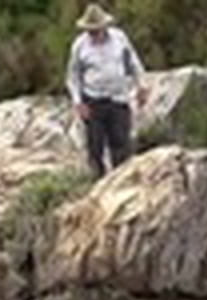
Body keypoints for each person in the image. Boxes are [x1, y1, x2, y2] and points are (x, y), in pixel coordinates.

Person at [66, 3, 149, 178]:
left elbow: (133, 62)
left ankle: (122, 181)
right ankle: (98, 181)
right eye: (90, 31)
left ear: (105, 27)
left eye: (97, 30)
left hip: (119, 99)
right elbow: (73, 76)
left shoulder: (120, 38)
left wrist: (141, 85)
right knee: (95, 148)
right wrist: (78, 102)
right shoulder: (80, 45)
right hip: (93, 101)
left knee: (121, 145)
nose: (94, 33)